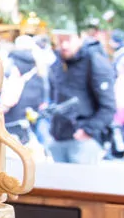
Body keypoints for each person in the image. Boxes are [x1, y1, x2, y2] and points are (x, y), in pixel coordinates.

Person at [47, 31, 117, 164]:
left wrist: (88, 130)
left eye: (68, 39)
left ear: (80, 38)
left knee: (80, 177)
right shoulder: (58, 62)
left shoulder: (94, 61)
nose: (64, 45)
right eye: (60, 40)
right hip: (59, 136)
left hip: (83, 139)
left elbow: (108, 107)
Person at [1, 34, 48, 146]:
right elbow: (46, 83)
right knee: (30, 138)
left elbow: (5, 80)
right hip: (34, 104)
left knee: (13, 139)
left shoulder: (12, 59)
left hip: (14, 105)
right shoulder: (38, 58)